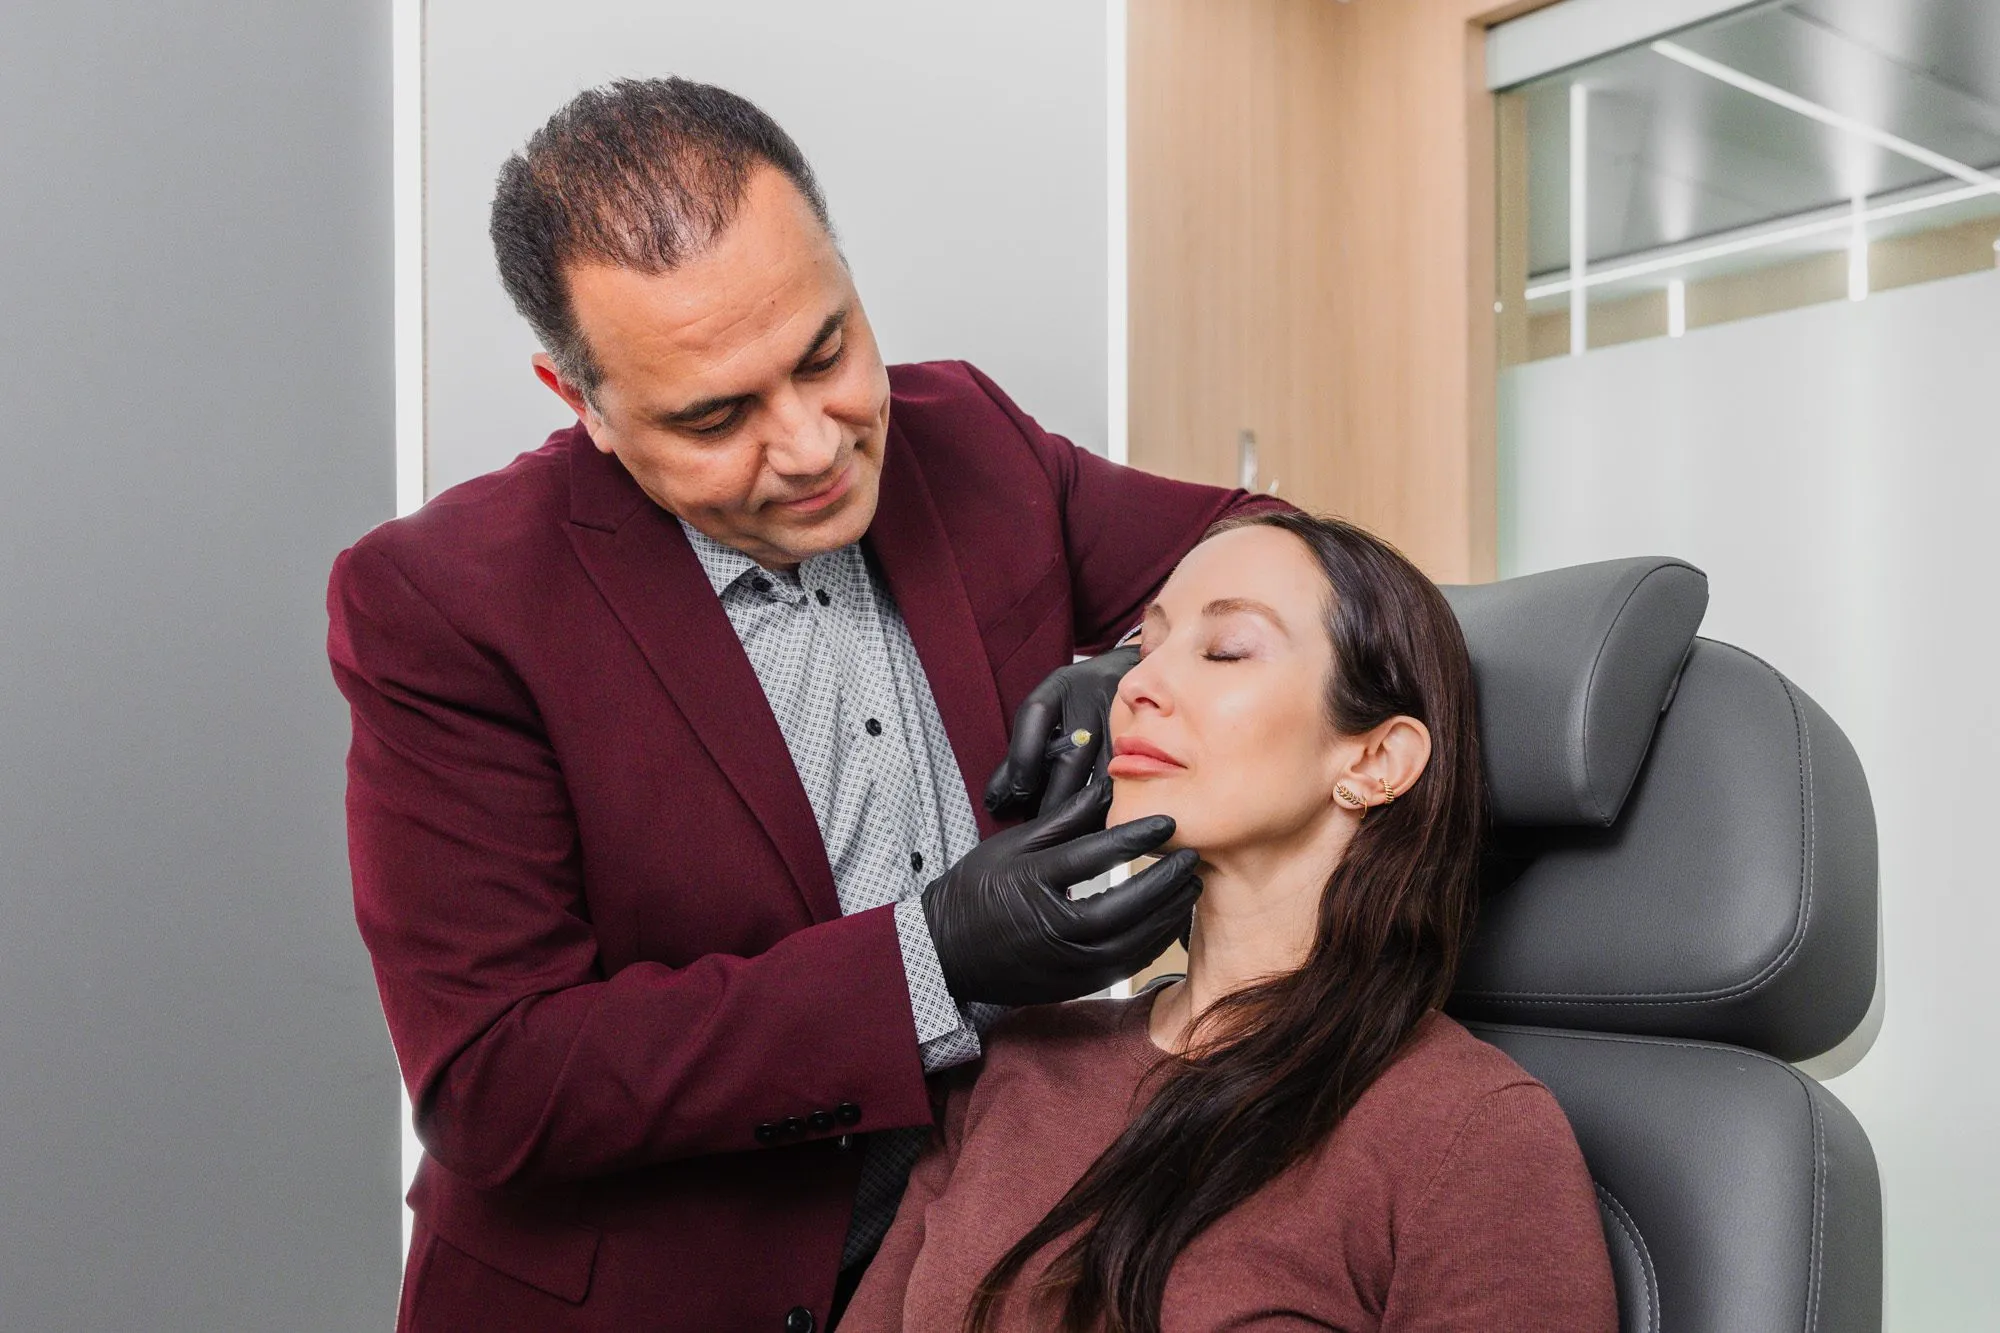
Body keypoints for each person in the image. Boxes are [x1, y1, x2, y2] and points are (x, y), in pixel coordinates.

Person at [325, 78, 1282, 1331]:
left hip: (974, 1265)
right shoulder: (440, 600)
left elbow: (1268, 544)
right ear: (581, 404)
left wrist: (1140, 658)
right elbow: (498, 1079)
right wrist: (928, 960)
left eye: (825, 352)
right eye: (715, 416)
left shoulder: (971, 436)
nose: (811, 445)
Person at [842, 512, 1619, 1333]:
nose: (1133, 688)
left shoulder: (1470, 1133)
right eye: (1145, 647)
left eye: (1225, 651)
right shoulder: (1013, 1065)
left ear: (1374, 759)